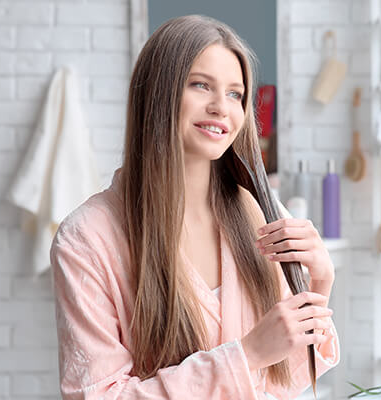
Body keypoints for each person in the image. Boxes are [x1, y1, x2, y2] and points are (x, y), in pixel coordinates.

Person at [50, 15, 340, 399]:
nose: (222, 107)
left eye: (236, 94)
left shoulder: (259, 213)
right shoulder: (87, 238)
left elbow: (284, 382)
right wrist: (246, 354)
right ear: (158, 93)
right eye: (201, 85)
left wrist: (319, 282)